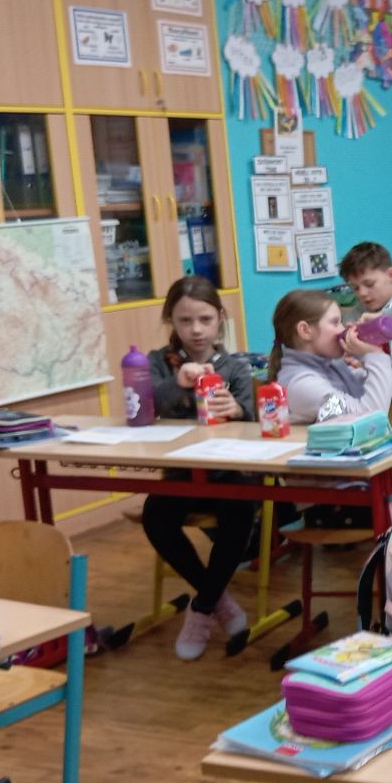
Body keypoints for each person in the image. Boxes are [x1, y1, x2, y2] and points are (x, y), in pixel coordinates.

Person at [144, 276, 257, 660]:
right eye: (185, 320)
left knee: (240, 512)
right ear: (171, 321)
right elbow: (145, 405)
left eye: (205, 319)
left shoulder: (235, 367)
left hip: (229, 475)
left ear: (220, 318)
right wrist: (177, 383)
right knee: (155, 515)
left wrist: (238, 410)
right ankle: (217, 600)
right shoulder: (158, 363)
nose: (196, 329)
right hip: (180, 475)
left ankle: (202, 607)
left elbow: (256, 421)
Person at [269, 288, 392, 425]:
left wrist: (371, 343)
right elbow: (371, 419)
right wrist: (375, 355)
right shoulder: (301, 383)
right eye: (335, 322)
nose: (342, 329)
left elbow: (391, 392)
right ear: (305, 330)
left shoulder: (333, 366)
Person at [340, 240, 392, 382]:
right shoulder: (353, 318)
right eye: (355, 288)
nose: (362, 293)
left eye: (369, 284)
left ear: (391, 275)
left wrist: (384, 317)